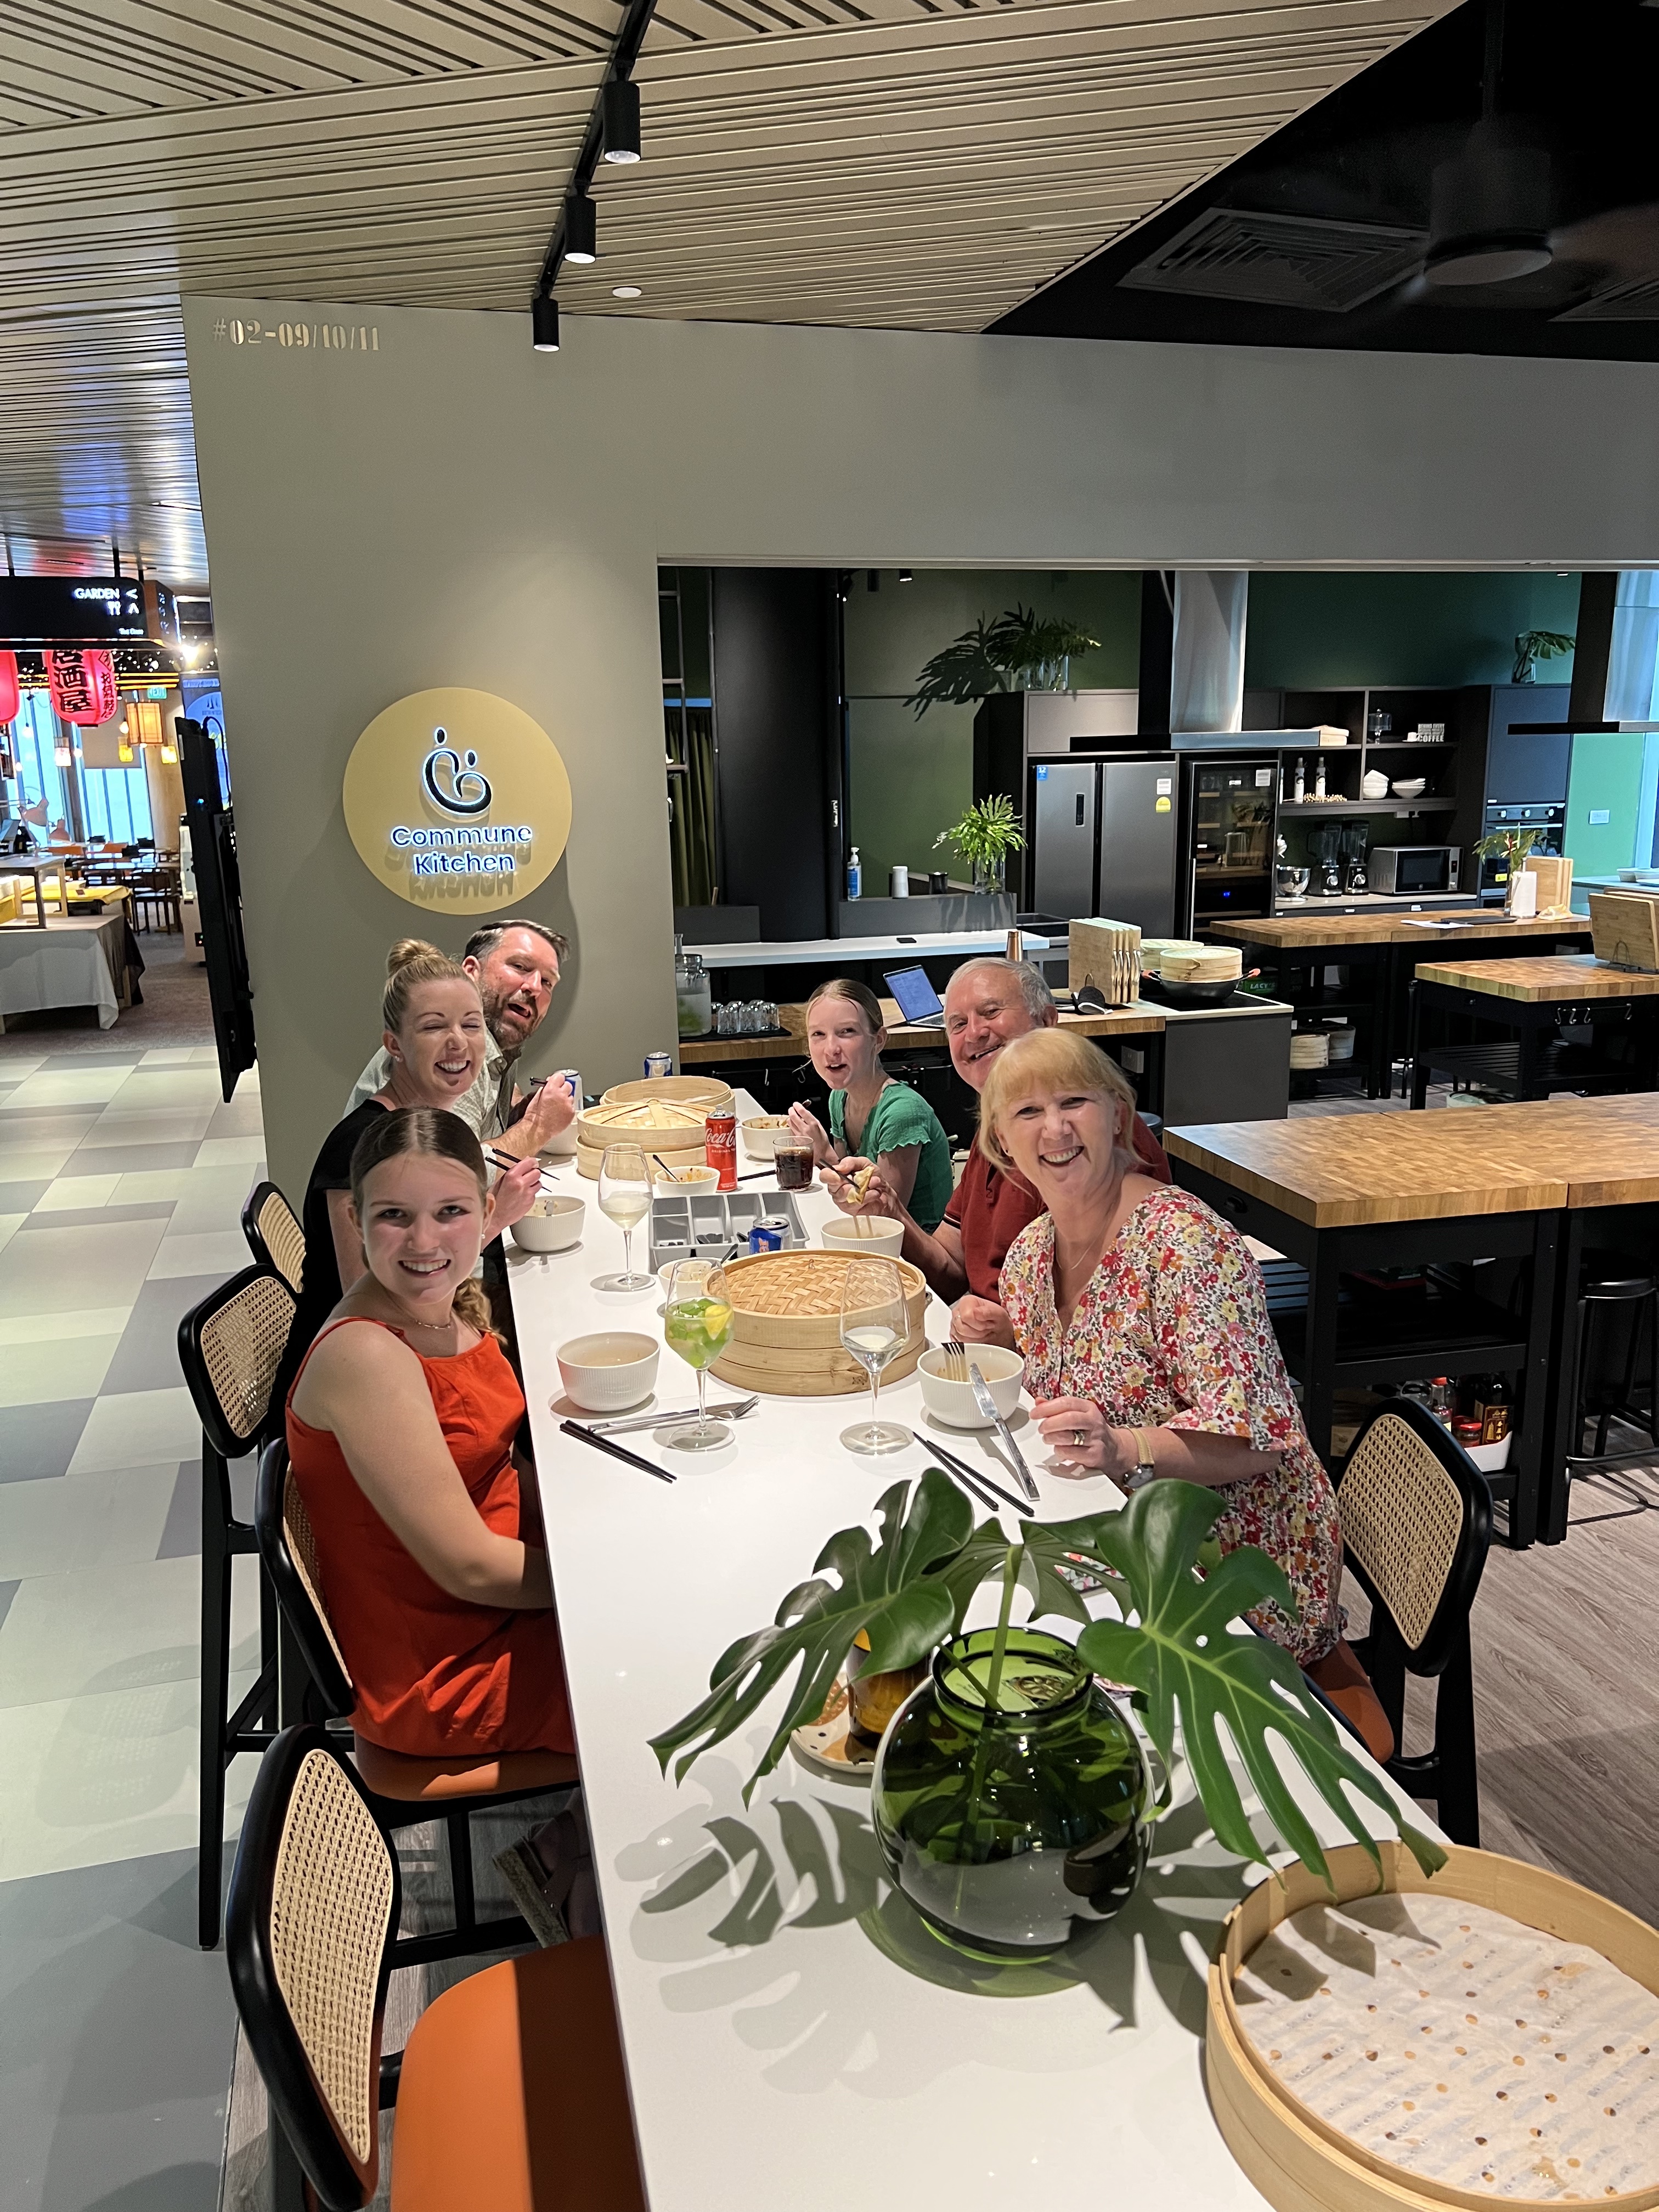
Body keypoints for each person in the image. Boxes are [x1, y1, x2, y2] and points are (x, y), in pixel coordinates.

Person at [978, 1026, 1389, 1754]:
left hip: (1239, 1569)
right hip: (1128, 1546)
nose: (1056, 1128)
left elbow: (1255, 1444)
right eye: (1028, 1113)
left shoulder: (1184, 1242)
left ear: (1117, 1114)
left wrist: (1122, 1447)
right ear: (1003, 1144)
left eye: (1075, 1101)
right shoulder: (1029, 1259)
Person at [286, 1109, 573, 1759]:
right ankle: (582, 1851)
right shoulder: (367, 1356)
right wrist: (600, 1578)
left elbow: (497, 1462)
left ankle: (565, 1844)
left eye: (450, 1212)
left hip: (491, 1607)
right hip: (443, 1667)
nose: (424, 1241)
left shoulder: (440, 1304)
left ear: (486, 1210)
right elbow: (467, 1567)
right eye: (394, 1216)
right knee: (692, 1659)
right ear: (356, 1221)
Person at [826, 957, 1170, 1348]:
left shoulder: (1096, 1149)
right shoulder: (997, 1132)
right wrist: (888, 1208)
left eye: (991, 1012)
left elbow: (1126, 1323)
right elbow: (955, 1267)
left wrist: (1021, 1333)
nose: (974, 1033)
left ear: (1047, 1020)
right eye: (957, 1023)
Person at [278, 941, 541, 1406]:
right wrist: (495, 1221)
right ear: (394, 1046)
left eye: (471, 1025)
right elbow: (380, 1308)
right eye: (434, 1027)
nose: (458, 1042)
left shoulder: (431, 1131)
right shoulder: (360, 1150)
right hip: (353, 1394)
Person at [346, 917, 575, 1159]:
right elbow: (455, 1168)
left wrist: (515, 1112)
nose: (536, 987)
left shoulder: (498, 1042)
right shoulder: (454, 1056)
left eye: (548, 981)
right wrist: (537, 1125)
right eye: (519, 966)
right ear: (471, 973)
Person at [785, 977, 953, 1232]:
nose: (831, 1049)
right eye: (818, 1034)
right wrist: (822, 1154)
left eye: (847, 1032)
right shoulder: (839, 1097)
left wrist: (823, 1153)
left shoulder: (901, 1112)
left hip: (917, 1252)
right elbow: (848, 1188)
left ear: (879, 1041)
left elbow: (883, 1216)